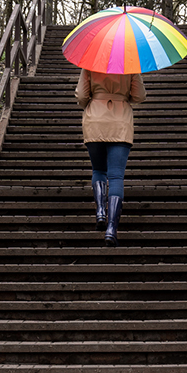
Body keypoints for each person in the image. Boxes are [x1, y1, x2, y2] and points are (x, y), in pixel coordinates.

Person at [75, 68, 146, 246]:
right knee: (116, 176)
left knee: (98, 169)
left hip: (95, 120)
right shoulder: (130, 65)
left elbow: (82, 96)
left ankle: (100, 211)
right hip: (120, 121)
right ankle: (111, 229)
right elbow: (139, 96)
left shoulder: (90, 64)